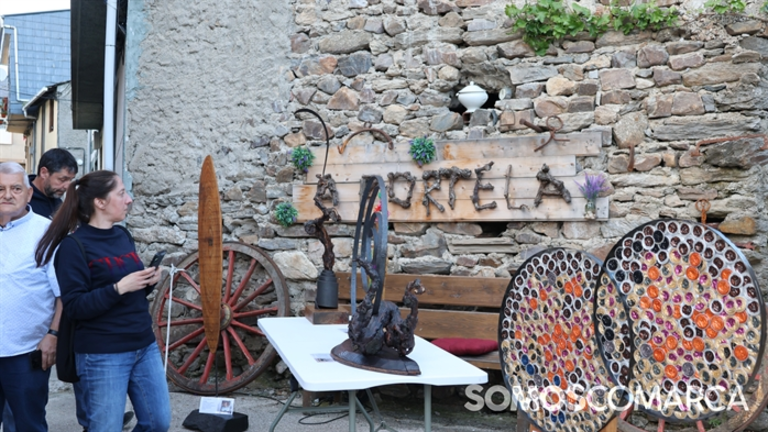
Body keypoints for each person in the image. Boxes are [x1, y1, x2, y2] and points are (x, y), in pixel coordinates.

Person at [35, 170, 170, 432]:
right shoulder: (73, 247)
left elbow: (131, 293)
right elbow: (74, 307)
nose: (129, 199)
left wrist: (146, 282)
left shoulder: (123, 236)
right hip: (102, 353)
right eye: (121, 193)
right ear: (100, 202)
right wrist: (119, 288)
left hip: (144, 345)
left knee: (158, 423)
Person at [0, 162, 62, 432]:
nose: (7, 195)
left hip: (26, 352)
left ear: (28, 194)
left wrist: (53, 335)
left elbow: (64, 295)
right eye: (0, 189)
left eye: (15, 188)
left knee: (28, 425)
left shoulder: (46, 232)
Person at [28, 148, 78, 217]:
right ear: (43, 173)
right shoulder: (21, 202)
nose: (67, 186)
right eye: (63, 179)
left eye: (71, 180)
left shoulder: (58, 203)